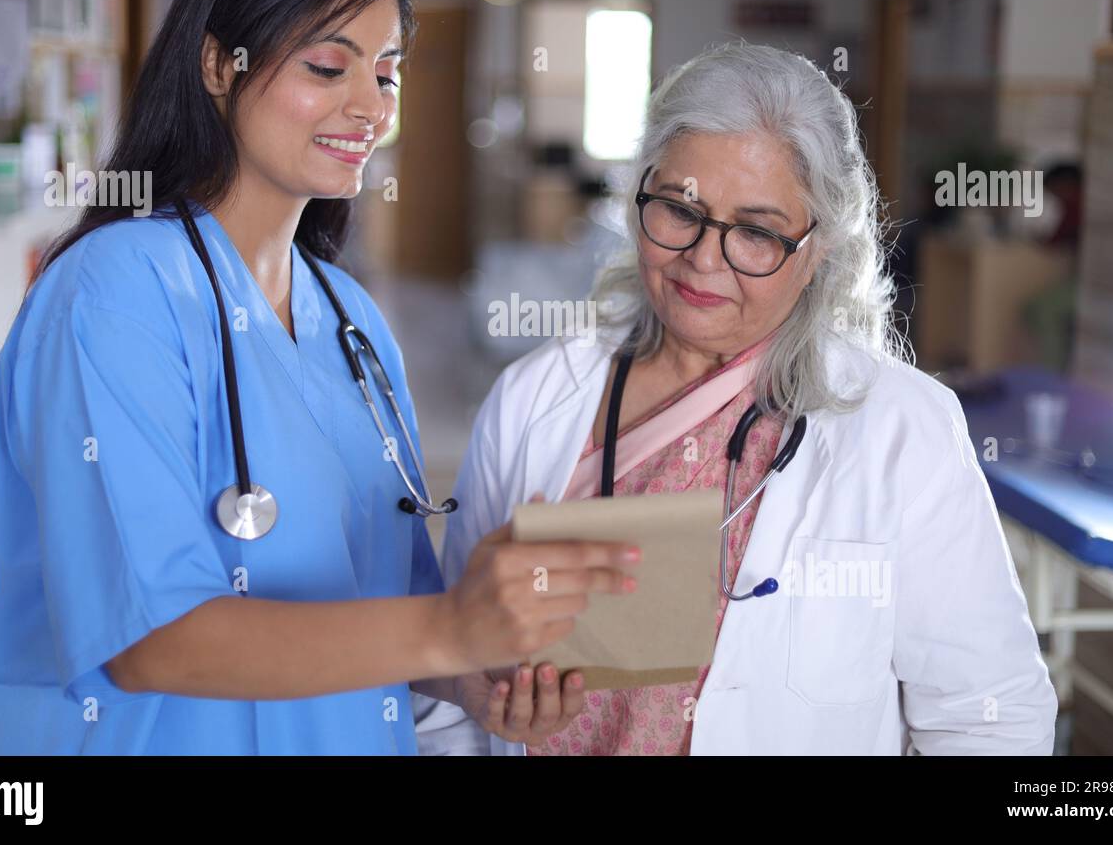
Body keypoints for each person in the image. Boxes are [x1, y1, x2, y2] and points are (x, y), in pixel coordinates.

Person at [0, 0, 634, 755]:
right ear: (216, 65)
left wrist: (482, 677)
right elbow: (148, 640)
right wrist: (449, 631)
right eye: (328, 65)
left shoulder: (355, 326)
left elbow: (388, 609)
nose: (369, 107)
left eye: (387, 75)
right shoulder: (115, 292)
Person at [442, 43, 1058, 755]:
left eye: (759, 233)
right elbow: (447, 664)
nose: (705, 258)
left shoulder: (901, 428)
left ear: (818, 246)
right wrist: (474, 687)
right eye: (679, 210)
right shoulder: (535, 400)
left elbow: (989, 718)